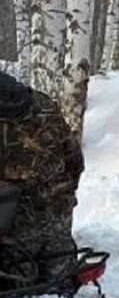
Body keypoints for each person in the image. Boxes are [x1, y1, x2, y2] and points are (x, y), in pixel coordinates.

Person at [0, 71, 84, 257]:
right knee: (60, 275)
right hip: (59, 208)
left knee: (21, 278)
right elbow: (75, 158)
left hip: (16, 220)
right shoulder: (43, 103)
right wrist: (66, 192)